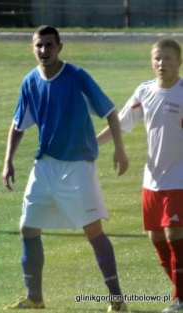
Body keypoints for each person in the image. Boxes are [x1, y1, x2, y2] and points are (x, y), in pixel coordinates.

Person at [1, 25, 129, 312]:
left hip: (78, 166)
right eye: (39, 45)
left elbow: (110, 112)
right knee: (28, 228)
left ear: (60, 47)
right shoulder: (29, 82)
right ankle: (35, 298)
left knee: (93, 231)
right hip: (44, 165)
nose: (44, 50)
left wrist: (120, 150)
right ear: (32, 48)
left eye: (49, 45)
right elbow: (19, 123)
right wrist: (8, 160)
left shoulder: (77, 77)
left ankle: (117, 300)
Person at [97, 38, 183, 313]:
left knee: (174, 234)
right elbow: (120, 124)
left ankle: (179, 299)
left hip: (179, 178)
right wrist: (91, 144)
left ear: (179, 62)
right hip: (152, 179)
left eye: (168, 58)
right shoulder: (144, 91)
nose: (162, 63)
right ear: (151, 61)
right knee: (155, 237)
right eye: (158, 58)